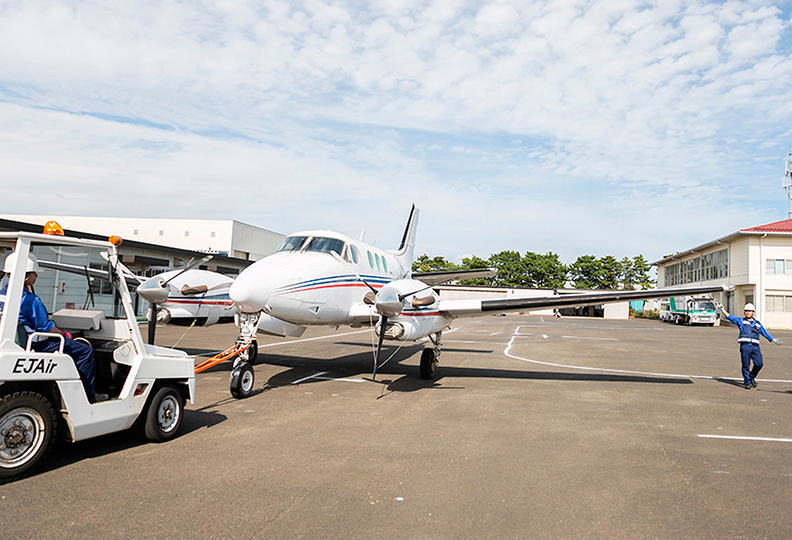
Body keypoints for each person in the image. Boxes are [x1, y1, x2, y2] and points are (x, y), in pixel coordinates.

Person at [1, 252, 106, 403]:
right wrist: (63, 334)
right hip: (38, 342)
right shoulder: (31, 300)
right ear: (26, 275)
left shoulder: (2, 295)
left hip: (12, 340)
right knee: (85, 351)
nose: (36, 277)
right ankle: (88, 396)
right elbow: (46, 327)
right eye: (34, 273)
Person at [719, 302, 781, 389]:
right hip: (745, 346)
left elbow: (764, 333)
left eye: (750, 311)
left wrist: (774, 340)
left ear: (753, 312)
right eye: (746, 311)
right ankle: (747, 382)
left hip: (755, 347)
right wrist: (722, 310)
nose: (748, 312)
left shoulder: (757, 324)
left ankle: (751, 376)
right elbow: (730, 317)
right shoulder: (741, 321)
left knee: (759, 364)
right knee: (746, 365)